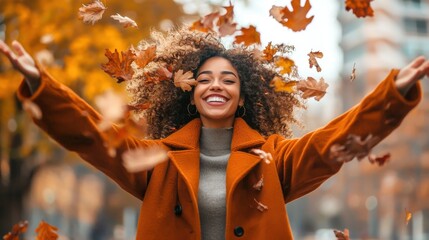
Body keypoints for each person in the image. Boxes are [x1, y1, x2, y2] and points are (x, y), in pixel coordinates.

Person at [0, 28, 428, 240]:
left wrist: (392, 95)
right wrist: (43, 85)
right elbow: (92, 136)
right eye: (203, 79)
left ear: (242, 97)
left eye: (228, 79)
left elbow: (334, 142)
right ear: (191, 94)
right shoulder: (156, 161)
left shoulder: (273, 158)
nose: (215, 85)